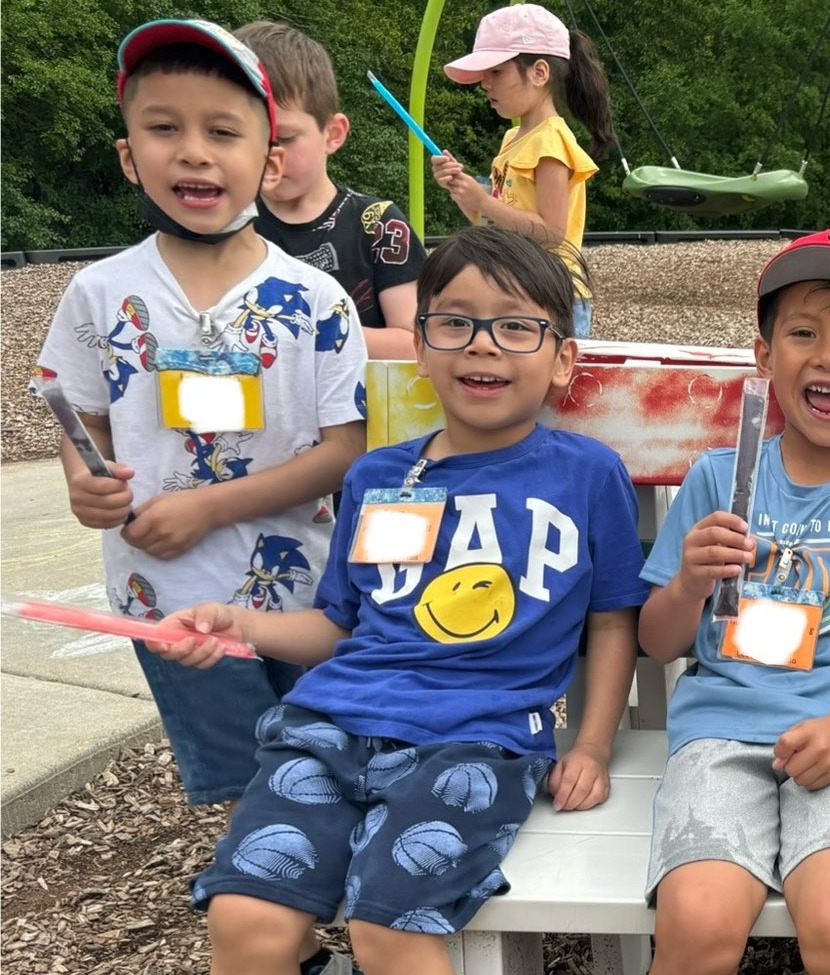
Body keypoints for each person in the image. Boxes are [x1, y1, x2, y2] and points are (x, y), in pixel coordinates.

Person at [147, 225, 646, 975]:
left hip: (478, 738)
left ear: (561, 359)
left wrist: (594, 744)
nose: (483, 345)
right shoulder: (381, 475)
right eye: (456, 322)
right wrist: (234, 623)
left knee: (390, 929)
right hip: (330, 724)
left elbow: (613, 620)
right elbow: (338, 626)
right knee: (245, 921)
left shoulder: (585, 472)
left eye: (515, 326)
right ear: (420, 345)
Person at [34, 18, 367, 810]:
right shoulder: (100, 293)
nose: (193, 150)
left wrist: (206, 504)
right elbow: (81, 422)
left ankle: (315, 904)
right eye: (163, 128)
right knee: (240, 782)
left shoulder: (318, 301)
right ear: (128, 157)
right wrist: (87, 484)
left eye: (223, 131)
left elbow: (343, 450)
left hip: (303, 591)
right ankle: (282, 930)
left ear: (270, 160)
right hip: (166, 591)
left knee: (322, 758)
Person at [638, 230, 830, 975]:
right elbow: (658, 640)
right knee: (698, 923)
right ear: (763, 356)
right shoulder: (718, 481)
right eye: (803, 332)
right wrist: (688, 583)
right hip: (720, 736)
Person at [235, 21, 424, 360]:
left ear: (333, 133)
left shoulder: (379, 226)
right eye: (238, 136)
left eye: (283, 139)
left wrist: (303, 331)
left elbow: (415, 344)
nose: (266, 155)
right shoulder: (229, 225)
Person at [433, 2, 617, 338]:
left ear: (539, 72)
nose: (485, 83)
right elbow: (497, 222)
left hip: (554, 296)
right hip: (520, 287)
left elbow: (551, 233)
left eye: (496, 71)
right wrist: (463, 192)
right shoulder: (512, 138)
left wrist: (484, 201)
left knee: (551, 389)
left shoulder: (551, 142)